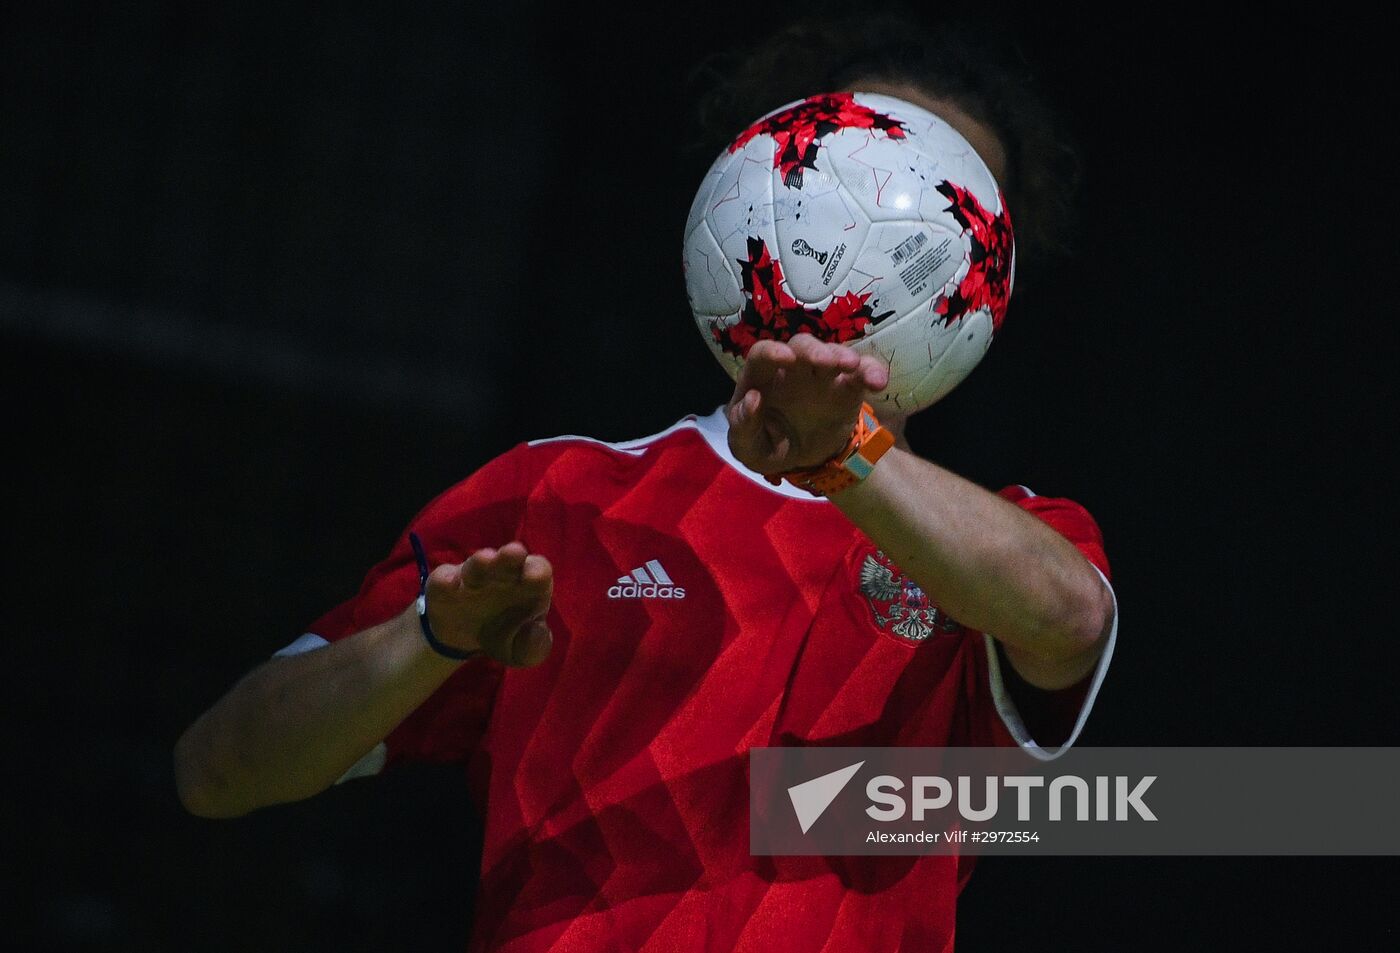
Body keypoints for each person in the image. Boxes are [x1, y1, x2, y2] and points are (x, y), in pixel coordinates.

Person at [175, 12, 1115, 951]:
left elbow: (1066, 617)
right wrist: (433, 638)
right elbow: (217, 770)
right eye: (856, 168)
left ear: (989, 278)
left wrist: (848, 458)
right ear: (764, 185)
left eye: (951, 204)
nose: (889, 233)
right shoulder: (561, 496)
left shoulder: (1019, 537)